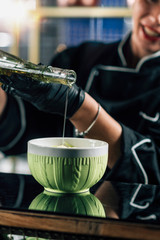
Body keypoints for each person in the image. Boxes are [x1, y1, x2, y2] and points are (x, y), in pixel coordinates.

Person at [0, 0, 160, 184]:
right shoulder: (79, 58)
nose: (157, 18)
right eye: (151, 0)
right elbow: (27, 128)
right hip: (56, 203)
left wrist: (81, 108)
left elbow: (153, 169)